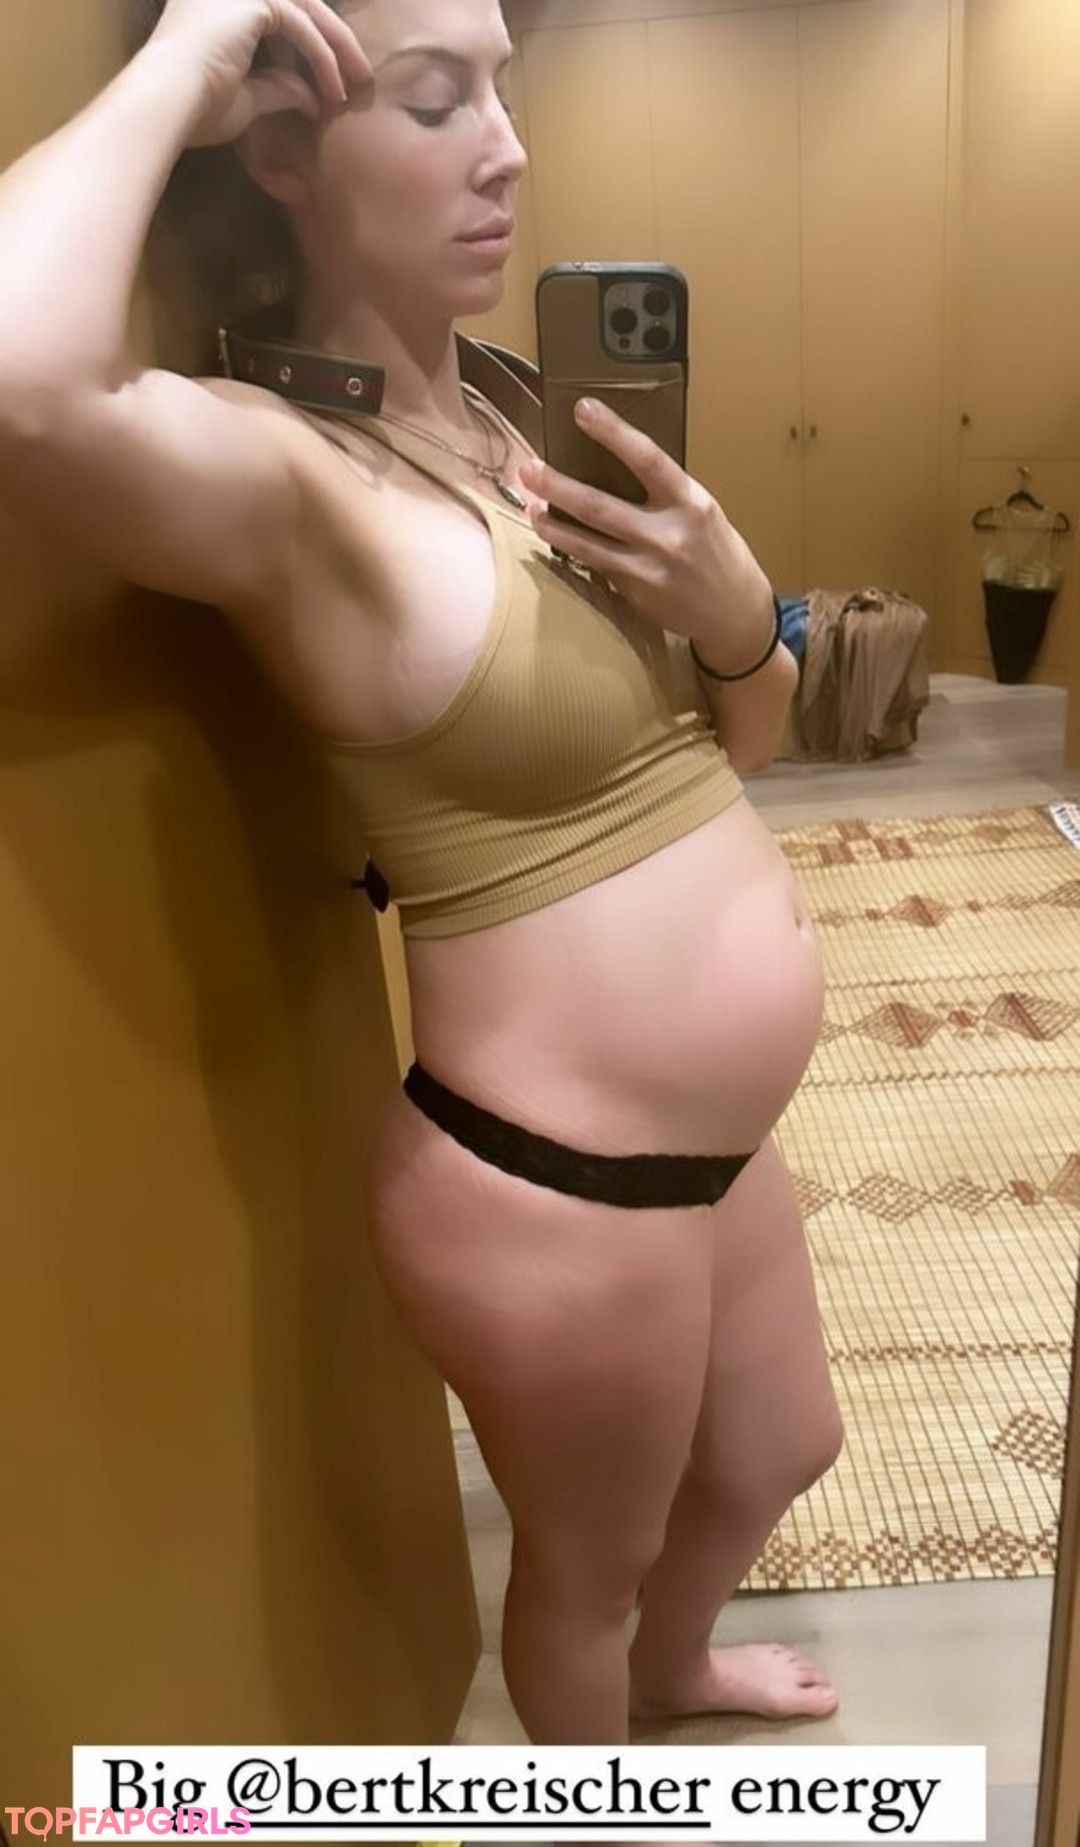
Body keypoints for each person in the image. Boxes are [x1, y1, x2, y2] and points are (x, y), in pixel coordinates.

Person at [0, 0, 844, 1750]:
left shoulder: (527, 412)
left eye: (505, 91)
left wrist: (732, 618)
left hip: (714, 1137)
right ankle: (600, 1796)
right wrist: (188, 48)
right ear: (285, 150)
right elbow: (21, 384)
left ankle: (678, 1674)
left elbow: (738, 750)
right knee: (588, 1572)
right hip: (558, 1179)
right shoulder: (290, 476)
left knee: (783, 1449)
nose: (509, 150)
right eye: (437, 98)